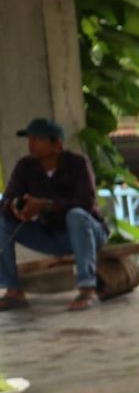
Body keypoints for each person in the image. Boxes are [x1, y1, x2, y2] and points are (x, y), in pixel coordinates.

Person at [0, 118, 108, 312]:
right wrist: (16, 206)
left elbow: (85, 202)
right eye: (29, 139)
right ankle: (13, 291)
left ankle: (86, 288)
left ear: (56, 143)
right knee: (2, 222)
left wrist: (46, 205)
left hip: (88, 233)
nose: (31, 144)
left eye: (37, 139)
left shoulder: (77, 163)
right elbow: (6, 201)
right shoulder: (25, 166)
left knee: (75, 215)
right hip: (51, 235)